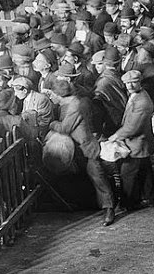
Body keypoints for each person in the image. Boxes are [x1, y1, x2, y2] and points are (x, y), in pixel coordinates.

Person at [50, 77, 117, 226]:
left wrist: (52, 124)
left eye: (52, 94)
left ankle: (109, 208)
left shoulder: (74, 105)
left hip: (87, 146)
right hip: (77, 147)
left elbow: (65, 128)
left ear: (58, 94)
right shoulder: (66, 104)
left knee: (97, 175)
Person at [105, 70, 154, 212]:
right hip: (141, 142)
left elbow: (133, 127)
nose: (130, 85)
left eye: (133, 82)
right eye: (127, 83)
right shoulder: (136, 95)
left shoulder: (142, 101)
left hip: (137, 142)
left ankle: (128, 203)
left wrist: (116, 136)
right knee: (145, 170)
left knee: (127, 173)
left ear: (140, 82)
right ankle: (150, 198)